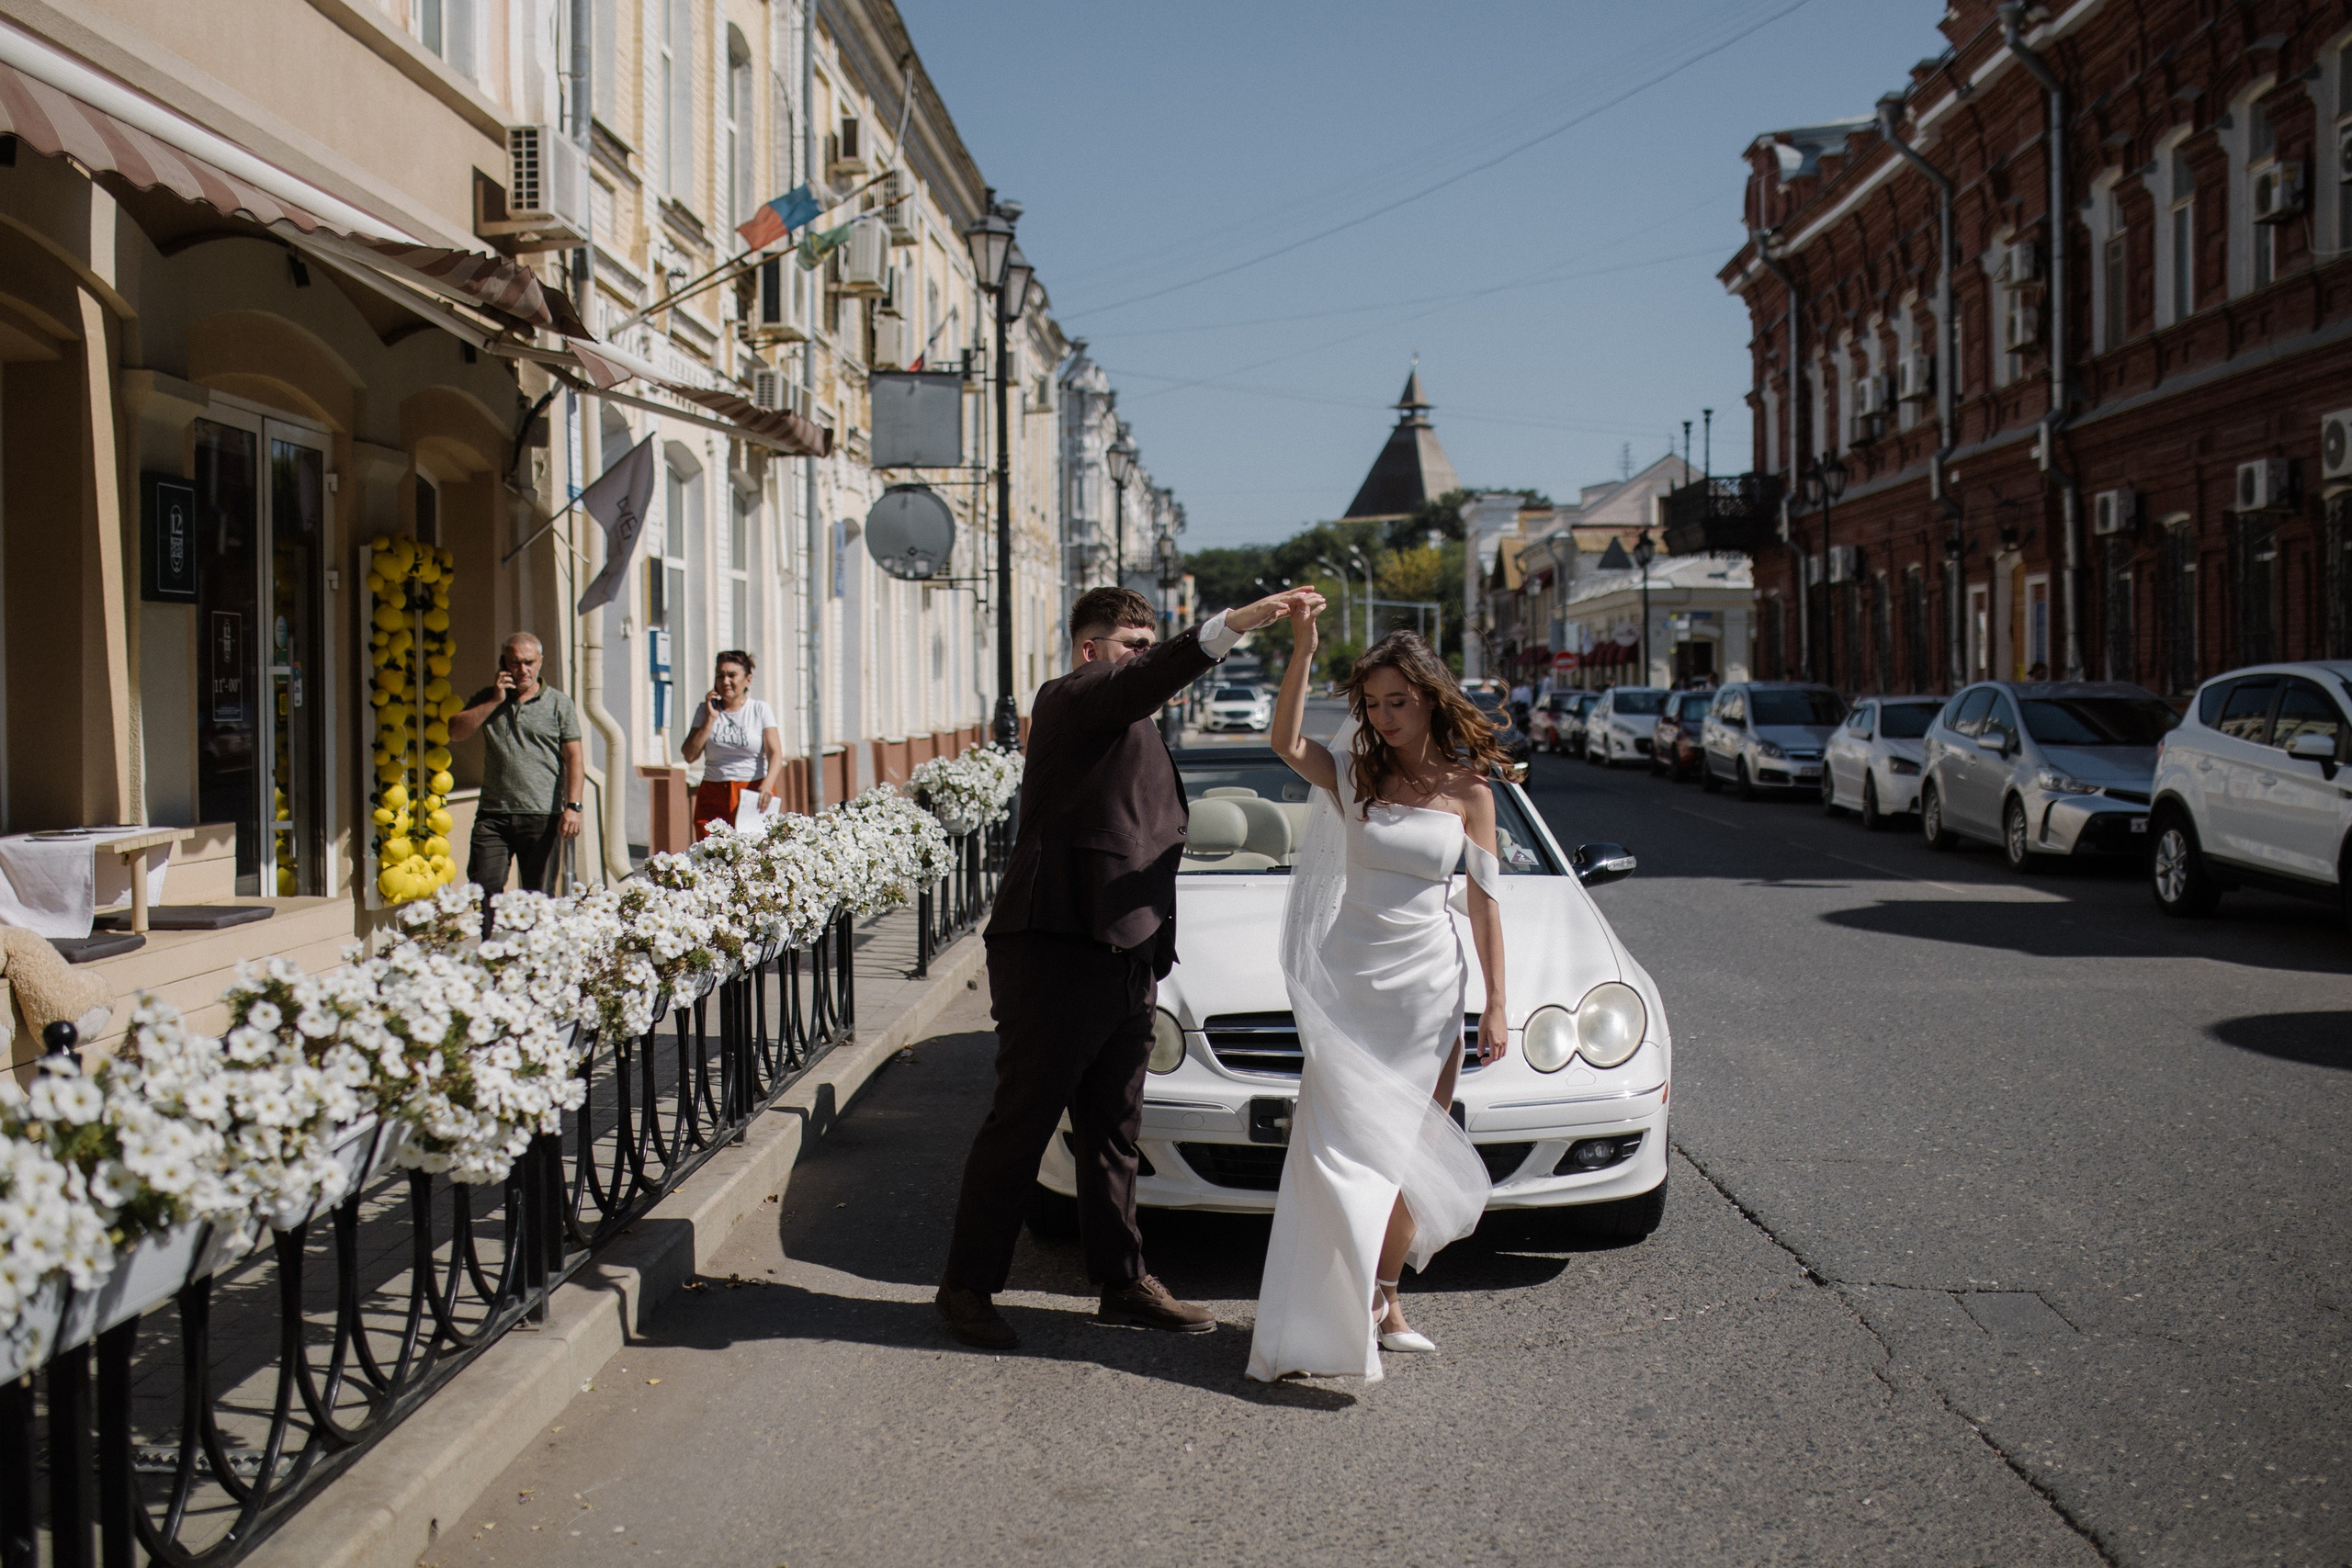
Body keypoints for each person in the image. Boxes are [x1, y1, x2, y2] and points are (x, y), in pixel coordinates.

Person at [935, 583, 1320, 1352]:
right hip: (1056, 948)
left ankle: (1121, 1281)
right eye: (1132, 645)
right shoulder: (1073, 697)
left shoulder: (1127, 721)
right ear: (1092, 651)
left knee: (1114, 1132)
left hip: (1126, 954)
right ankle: (966, 1288)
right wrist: (1230, 627)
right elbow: (1146, 680)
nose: (1144, 659)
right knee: (1023, 1125)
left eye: (1150, 643)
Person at [1247, 610, 1510, 1382]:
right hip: (1350, 983)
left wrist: (1497, 1001)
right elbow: (1285, 743)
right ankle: (1324, 1313)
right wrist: (1302, 649)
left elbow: (1487, 903)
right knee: (1338, 1154)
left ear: (1428, 697)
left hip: (1429, 987)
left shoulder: (1471, 791)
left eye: (1397, 700)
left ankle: (1385, 1299)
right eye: (1372, 703)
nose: (1384, 717)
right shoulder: (1356, 772)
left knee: (1410, 1154)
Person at [448, 632, 583, 902]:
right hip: (493, 814)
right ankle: (491, 943)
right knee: (484, 887)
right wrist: (495, 701)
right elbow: (455, 732)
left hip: (542, 814)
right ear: (503, 663)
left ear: (540, 662)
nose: (523, 669)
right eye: (515, 662)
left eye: (529, 662)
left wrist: (573, 807)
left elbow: (574, 757)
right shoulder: (488, 698)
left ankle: (533, 946)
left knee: (537, 897)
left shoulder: (559, 703)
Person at [681, 650, 781, 838]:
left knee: (752, 855)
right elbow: (689, 755)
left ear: (748, 680)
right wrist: (710, 720)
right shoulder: (705, 710)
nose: (725, 681)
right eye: (720, 675)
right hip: (713, 791)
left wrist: (768, 784)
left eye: (732, 675)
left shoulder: (759, 709)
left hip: (752, 791)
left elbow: (775, 753)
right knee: (712, 856)